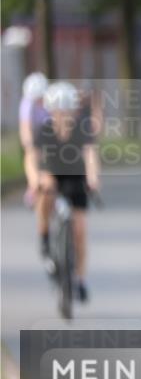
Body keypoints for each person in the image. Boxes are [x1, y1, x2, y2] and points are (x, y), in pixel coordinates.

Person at [35, 81, 100, 302]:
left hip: (75, 179)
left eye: (66, 109)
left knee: (80, 232)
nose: (62, 115)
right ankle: (44, 237)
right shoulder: (44, 130)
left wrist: (93, 177)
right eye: (57, 110)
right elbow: (33, 157)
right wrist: (36, 178)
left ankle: (80, 280)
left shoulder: (82, 127)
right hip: (52, 175)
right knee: (44, 193)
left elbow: (90, 154)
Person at [19, 72, 50, 208]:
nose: (39, 101)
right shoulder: (27, 104)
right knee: (31, 154)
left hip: (49, 132)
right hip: (34, 132)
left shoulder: (51, 101)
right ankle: (33, 185)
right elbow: (25, 127)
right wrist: (29, 144)